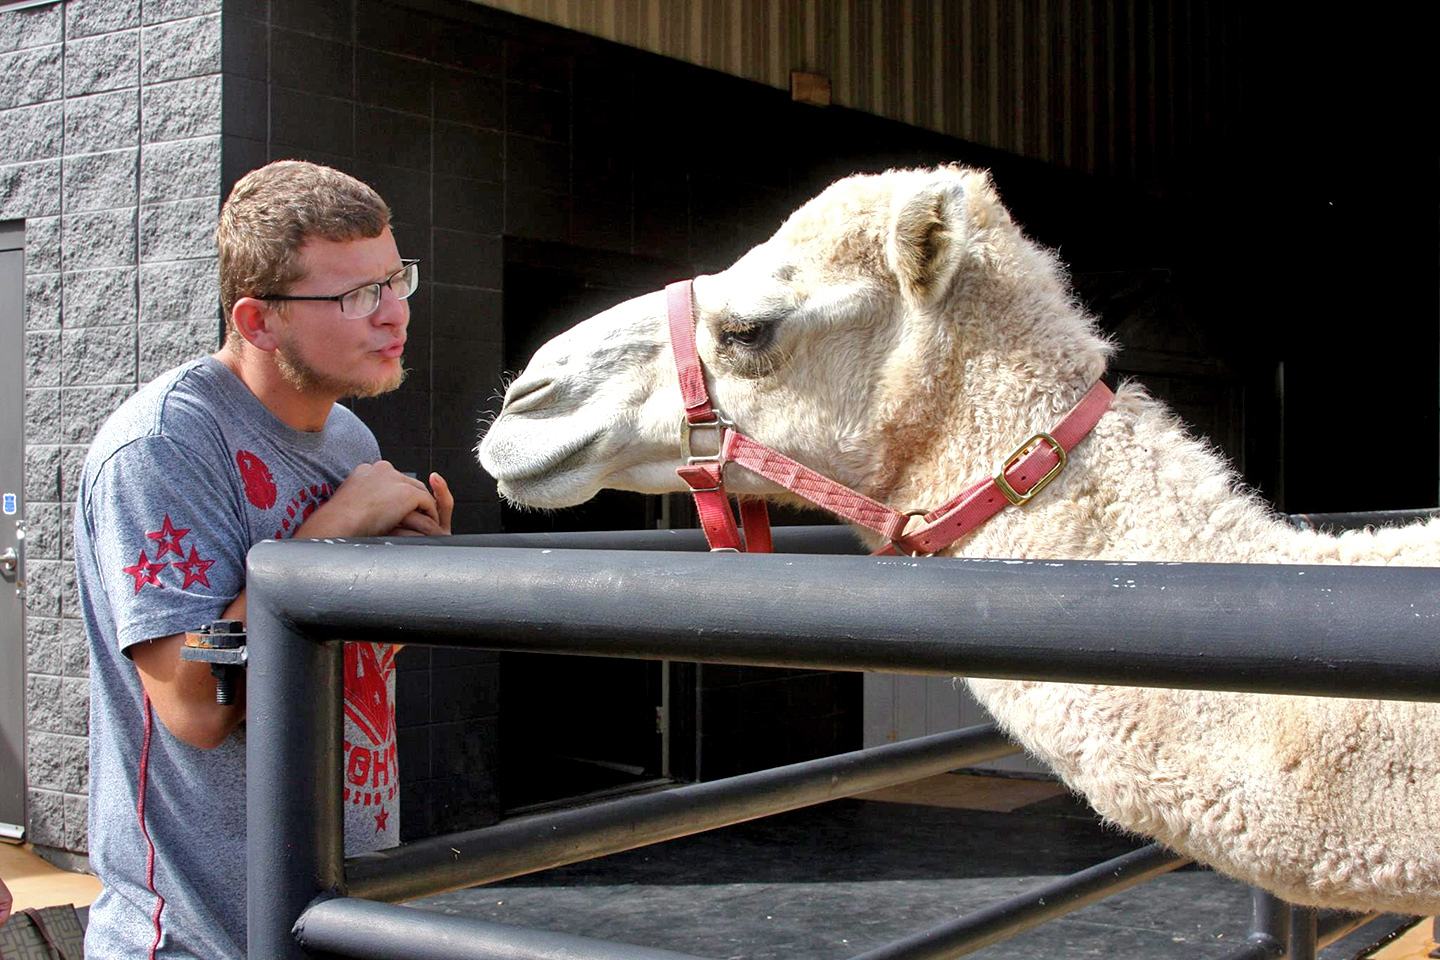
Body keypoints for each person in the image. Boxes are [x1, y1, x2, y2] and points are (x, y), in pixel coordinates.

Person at [74, 160, 451, 959]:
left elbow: (346, 668)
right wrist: (331, 536)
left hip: (338, 902)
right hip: (198, 935)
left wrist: (414, 583)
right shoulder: (164, 446)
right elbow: (194, 707)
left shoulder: (350, 440)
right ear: (258, 320)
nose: (394, 316)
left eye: (396, 280)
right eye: (355, 296)